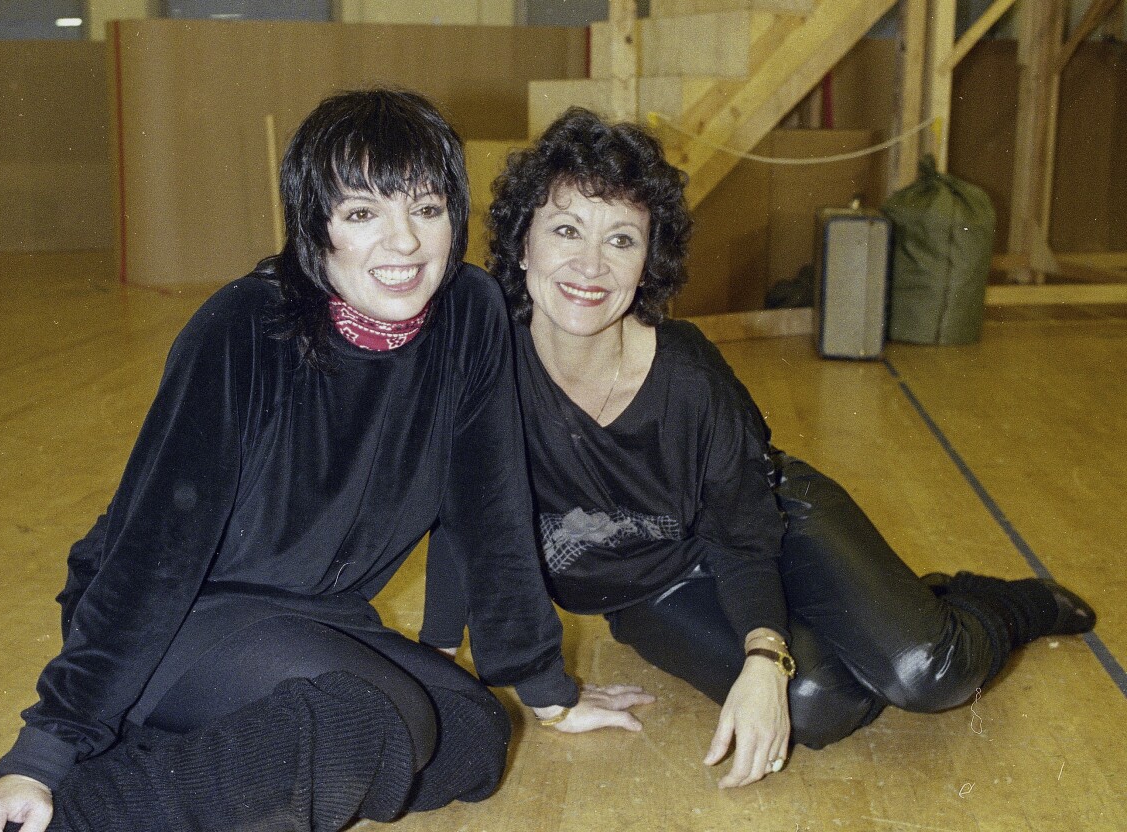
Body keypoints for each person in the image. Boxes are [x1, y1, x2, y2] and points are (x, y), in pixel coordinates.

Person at [0, 90, 653, 832]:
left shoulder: (469, 309)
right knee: (378, 724)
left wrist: (542, 684)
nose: (405, 244)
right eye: (362, 213)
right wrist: (42, 752)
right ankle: (58, 814)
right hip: (190, 612)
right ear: (314, 225)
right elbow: (152, 557)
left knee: (473, 735)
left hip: (314, 618)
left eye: (427, 210)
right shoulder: (243, 327)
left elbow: (488, 510)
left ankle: (170, 750)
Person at [421, 107, 1096, 790]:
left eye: (621, 239)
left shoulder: (686, 376)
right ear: (523, 244)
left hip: (763, 514)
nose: (590, 264)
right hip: (649, 586)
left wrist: (764, 655)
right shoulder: (483, 367)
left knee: (927, 671)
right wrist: (440, 666)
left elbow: (740, 532)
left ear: (647, 260)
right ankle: (892, 614)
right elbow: (460, 523)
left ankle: (1002, 605)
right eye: (566, 229)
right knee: (815, 705)